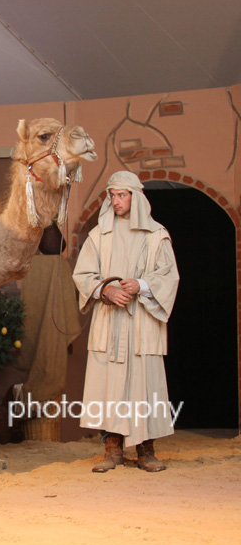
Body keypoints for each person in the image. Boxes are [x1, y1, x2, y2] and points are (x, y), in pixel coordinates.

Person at [72, 171, 179, 473]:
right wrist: (106, 289)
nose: (116, 201)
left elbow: (168, 276)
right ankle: (112, 449)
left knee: (145, 386)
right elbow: (83, 275)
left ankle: (146, 450)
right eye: (112, 195)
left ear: (135, 197)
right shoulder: (99, 235)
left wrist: (142, 285)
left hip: (143, 323)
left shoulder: (156, 235)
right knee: (110, 386)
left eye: (122, 195)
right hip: (110, 323)